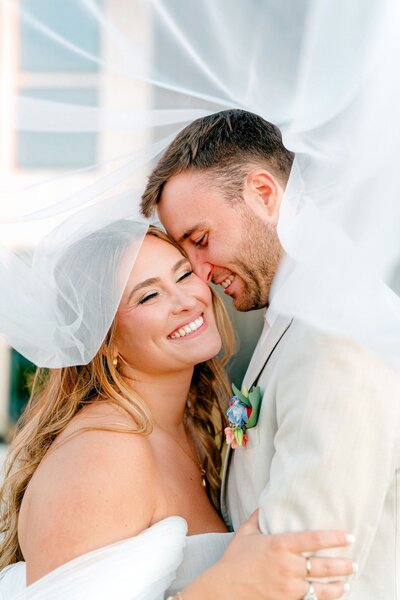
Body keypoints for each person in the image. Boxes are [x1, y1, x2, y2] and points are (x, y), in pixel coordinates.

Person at [0, 225, 353, 600]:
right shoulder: (102, 454)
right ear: (102, 341)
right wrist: (224, 588)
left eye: (184, 274)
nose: (185, 300)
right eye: (148, 296)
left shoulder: (187, 426)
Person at [141, 109, 400, 599]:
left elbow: (304, 575)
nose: (198, 273)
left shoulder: (337, 333)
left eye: (200, 240)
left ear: (263, 193)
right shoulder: (297, 315)